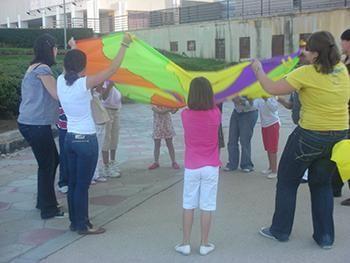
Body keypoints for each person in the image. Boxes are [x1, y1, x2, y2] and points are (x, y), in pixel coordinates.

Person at [252, 31, 350, 249]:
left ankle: (280, 230)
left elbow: (271, 87)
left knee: (287, 181)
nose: (304, 52)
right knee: (321, 184)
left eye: (308, 49)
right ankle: (325, 237)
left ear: (316, 53)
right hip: (339, 136)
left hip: (310, 136)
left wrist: (258, 69)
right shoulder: (342, 70)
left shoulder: (306, 73)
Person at [57, 33, 132, 235]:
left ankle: (75, 222)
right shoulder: (84, 84)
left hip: (70, 139)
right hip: (86, 141)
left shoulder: (60, 82)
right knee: (82, 186)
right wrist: (124, 45)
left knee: (73, 183)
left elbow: (68, 67)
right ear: (83, 66)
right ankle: (83, 225)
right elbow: (112, 69)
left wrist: (72, 48)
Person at [17, 34, 64, 219]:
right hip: (35, 124)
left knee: (51, 161)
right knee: (47, 164)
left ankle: (43, 201)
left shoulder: (33, 67)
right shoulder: (43, 69)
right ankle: (48, 209)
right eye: (55, 47)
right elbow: (56, 94)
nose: (57, 51)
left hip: (29, 122)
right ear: (50, 49)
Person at [175, 77, 221, 256]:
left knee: (188, 204)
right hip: (211, 165)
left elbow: (184, 107)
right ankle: (204, 243)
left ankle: (185, 243)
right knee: (207, 205)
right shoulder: (216, 113)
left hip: (192, 165)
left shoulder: (185, 114)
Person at [332, 29, 350, 205]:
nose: (341, 45)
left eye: (342, 41)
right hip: (343, 114)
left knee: (347, 152)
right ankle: (335, 187)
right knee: (339, 149)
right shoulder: (344, 60)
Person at [224, 96, 258, 173]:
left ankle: (247, 164)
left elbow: (255, 102)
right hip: (237, 111)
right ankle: (232, 163)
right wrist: (233, 98)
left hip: (250, 112)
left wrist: (240, 101)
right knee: (232, 139)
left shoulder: (252, 85)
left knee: (245, 140)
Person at [254, 97, 280, 179]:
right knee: (268, 147)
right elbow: (254, 106)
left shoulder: (272, 95)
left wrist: (266, 99)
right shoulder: (258, 96)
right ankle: (270, 167)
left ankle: (274, 171)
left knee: (272, 148)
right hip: (264, 124)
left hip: (273, 123)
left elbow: (274, 108)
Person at [101, 80, 122, 177]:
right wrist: (110, 85)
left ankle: (113, 162)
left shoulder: (116, 80)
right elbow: (103, 97)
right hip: (107, 110)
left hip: (116, 110)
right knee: (107, 138)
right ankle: (106, 166)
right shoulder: (104, 81)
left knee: (114, 137)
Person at [148, 106, 180, 170]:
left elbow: (173, 112)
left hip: (167, 125)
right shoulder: (153, 102)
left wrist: (177, 107)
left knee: (169, 143)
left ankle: (173, 161)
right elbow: (159, 111)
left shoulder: (166, 102)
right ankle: (156, 162)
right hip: (158, 126)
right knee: (157, 144)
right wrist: (170, 108)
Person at [56, 104, 69, 193]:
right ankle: (63, 182)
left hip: (79, 125)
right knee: (64, 154)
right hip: (64, 125)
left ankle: (73, 180)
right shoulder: (61, 90)